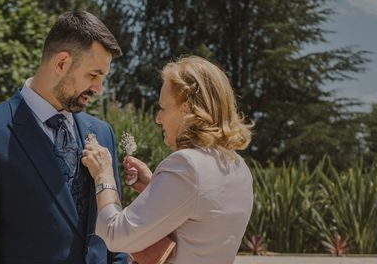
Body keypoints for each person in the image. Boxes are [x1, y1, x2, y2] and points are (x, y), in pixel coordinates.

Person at [0, 10, 128, 264]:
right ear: (61, 63)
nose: (98, 89)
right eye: (93, 75)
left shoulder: (101, 133)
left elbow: (115, 239)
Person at [82, 56, 254, 264]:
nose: (158, 118)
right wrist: (154, 187)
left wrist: (104, 175)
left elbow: (115, 235)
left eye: (163, 108)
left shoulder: (186, 165)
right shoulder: (238, 167)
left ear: (188, 109)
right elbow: (199, 215)